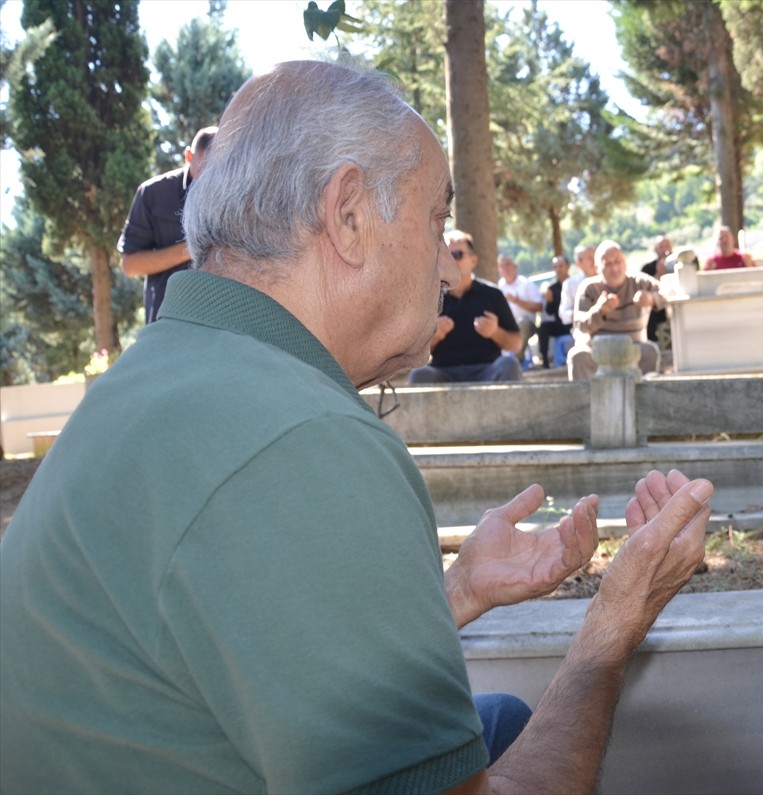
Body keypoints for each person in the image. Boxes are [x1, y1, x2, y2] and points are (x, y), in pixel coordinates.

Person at [0, 60, 714, 795]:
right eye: (435, 220)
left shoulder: (155, 374)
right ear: (347, 216)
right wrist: (613, 626)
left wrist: (457, 589)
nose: (447, 268)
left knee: (497, 719)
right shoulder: (304, 438)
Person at [118, 126, 219, 323]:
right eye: (205, 166)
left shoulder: (235, 196)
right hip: (166, 320)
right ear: (189, 156)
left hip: (218, 321)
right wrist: (193, 247)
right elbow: (130, 265)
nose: (211, 175)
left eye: (219, 166)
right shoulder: (153, 193)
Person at [407, 230, 524, 383]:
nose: (451, 261)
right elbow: (414, 354)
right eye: (446, 256)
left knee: (509, 364)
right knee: (419, 375)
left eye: (457, 255)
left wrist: (495, 332)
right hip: (444, 373)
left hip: (487, 370)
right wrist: (435, 336)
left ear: (473, 261)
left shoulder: (493, 295)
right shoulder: (429, 298)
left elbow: (516, 344)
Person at [567, 239, 666, 381]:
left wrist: (651, 299)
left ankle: (641, 394)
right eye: (608, 264)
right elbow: (580, 325)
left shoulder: (640, 282)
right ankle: (585, 396)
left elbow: (669, 292)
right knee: (578, 356)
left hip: (634, 345)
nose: (614, 268)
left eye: (618, 261)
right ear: (597, 267)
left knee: (650, 352)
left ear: (625, 262)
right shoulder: (588, 288)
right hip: (597, 347)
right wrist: (600, 310)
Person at [496, 253, 543, 367]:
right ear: (499, 269)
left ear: (515, 266)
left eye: (508, 265)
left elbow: (539, 306)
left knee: (522, 322)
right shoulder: (498, 287)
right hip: (505, 326)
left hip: (527, 325)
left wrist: (517, 301)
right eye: (502, 266)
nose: (505, 268)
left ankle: (515, 361)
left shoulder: (526, 284)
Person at [538, 254, 573, 368]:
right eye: (555, 267)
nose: (558, 269)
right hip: (560, 324)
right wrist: (550, 301)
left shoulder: (574, 284)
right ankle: (544, 360)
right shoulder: (552, 288)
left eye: (561, 266)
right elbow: (550, 312)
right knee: (544, 327)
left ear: (567, 267)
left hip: (574, 322)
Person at [641, 235, 673, 345]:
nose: (665, 249)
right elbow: (644, 291)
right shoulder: (647, 268)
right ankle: (652, 342)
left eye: (667, 245)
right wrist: (659, 275)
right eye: (661, 247)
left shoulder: (678, 264)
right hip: (659, 308)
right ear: (655, 250)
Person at [558, 242, 597, 329]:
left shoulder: (609, 279)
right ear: (578, 262)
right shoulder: (570, 284)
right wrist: (584, 315)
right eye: (590, 258)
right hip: (583, 330)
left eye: (596, 257)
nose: (594, 261)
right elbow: (564, 312)